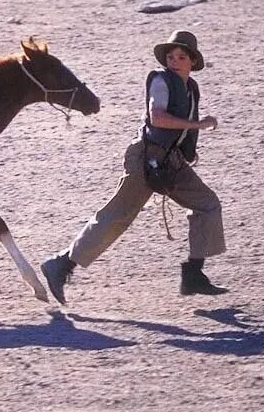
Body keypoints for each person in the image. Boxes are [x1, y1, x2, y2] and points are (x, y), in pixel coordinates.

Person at [40, 30, 227, 303]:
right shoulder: (161, 82)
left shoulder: (190, 87)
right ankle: (61, 265)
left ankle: (194, 275)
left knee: (208, 204)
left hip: (171, 160)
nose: (174, 61)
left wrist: (188, 146)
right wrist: (196, 125)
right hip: (146, 159)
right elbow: (158, 117)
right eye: (170, 56)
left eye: (181, 56)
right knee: (117, 215)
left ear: (192, 61)